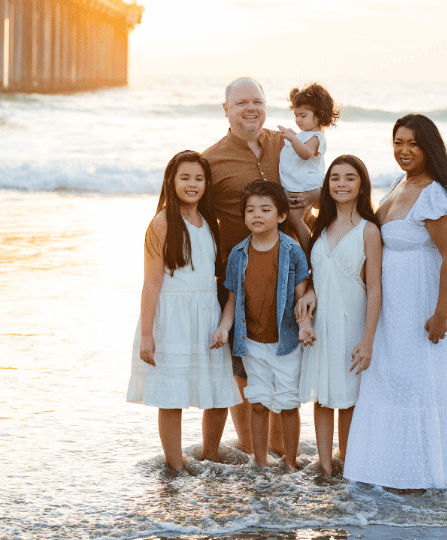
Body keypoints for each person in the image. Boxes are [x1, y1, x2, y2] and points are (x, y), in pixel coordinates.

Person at [343, 114, 447, 490]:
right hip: (390, 312)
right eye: (398, 142)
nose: (403, 151)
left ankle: (424, 477)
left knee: (416, 388)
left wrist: (441, 315)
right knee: (387, 384)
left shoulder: (435, 194)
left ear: (428, 148)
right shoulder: (399, 186)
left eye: (413, 144)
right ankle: (387, 474)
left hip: (421, 312)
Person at [203, 78, 320, 455]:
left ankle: (284, 452)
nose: (250, 108)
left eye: (257, 101)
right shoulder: (211, 159)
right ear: (226, 110)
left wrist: (315, 198)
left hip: (296, 270)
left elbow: (328, 186)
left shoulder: (289, 143)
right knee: (245, 368)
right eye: (240, 103)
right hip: (241, 277)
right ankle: (254, 453)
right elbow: (193, 215)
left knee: (291, 357)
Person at [126, 151, 241, 470]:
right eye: (185, 177)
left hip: (206, 313)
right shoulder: (162, 222)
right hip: (172, 316)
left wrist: (222, 320)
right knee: (172, 395)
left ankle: (211, 456)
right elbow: (151, 284)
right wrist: (147, 334)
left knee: (220, 390)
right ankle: (175, 465)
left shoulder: (208, 221)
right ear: (171, 181)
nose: (192, 184)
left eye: (199, 178)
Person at [212, 181, 314, 470]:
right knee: (257, 403)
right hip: (252, 342)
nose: (257, 215)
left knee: (288, 404)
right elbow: (232, 298)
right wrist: (223, 328)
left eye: (265, 210)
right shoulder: (237, 254)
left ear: (281, 215)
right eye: (250, 210)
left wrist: (305, 325)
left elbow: (300, 297)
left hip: (286, 343)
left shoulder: (292, 251)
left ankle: (291, 463)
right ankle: (261, 464)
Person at [299, 155, 382, 477]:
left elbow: (374, 289)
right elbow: (317, 274)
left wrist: (368, 340)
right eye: (335, 177)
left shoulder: (368, 230)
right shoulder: (318, 224)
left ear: (361, 184)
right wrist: (309, 292)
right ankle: (324, 465)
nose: (341, 184)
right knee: (322, 397)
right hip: (322, 323)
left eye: (349, 178)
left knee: (347, 400)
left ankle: (346, 461)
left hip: (352, 322)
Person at [277, 83, 340, 248]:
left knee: (296, 220)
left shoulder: (316, 137)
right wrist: (294, 136)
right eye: (296, 115)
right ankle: (324, 237)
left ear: (319, 116)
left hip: (305, 186)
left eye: (303, 116)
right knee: (302, 219)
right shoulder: (305, 135)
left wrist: (293, 139)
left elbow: (305, 153)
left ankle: (308, 255)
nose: (298, 120)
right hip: (298, 184)